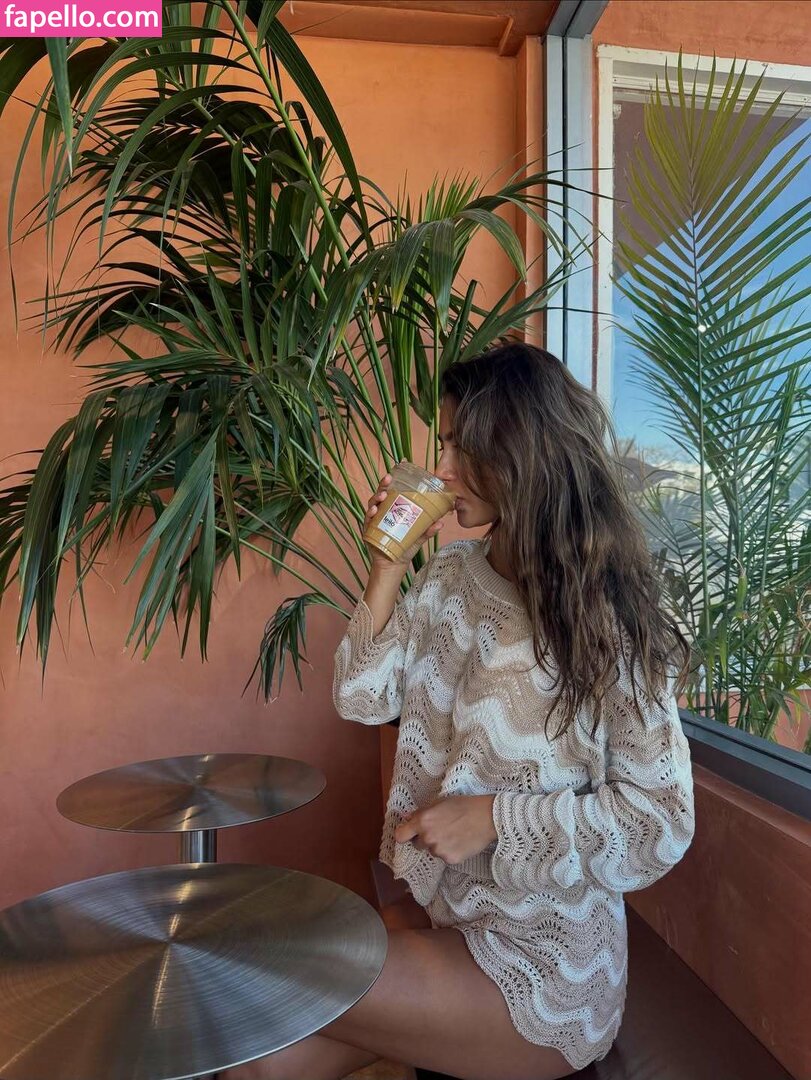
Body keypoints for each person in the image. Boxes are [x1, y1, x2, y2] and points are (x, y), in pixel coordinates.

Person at [224, 342, 696, 1080]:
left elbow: (660, 821)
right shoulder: (449, 577)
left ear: (520, 454)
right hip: (448, 911)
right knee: (256, 1064)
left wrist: (495, 820)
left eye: (460, 448)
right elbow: (363, 698)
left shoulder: (607, 617)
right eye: (443, 444)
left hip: (547, 965)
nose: (441, 469)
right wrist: (386, 566)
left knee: (270, 975)